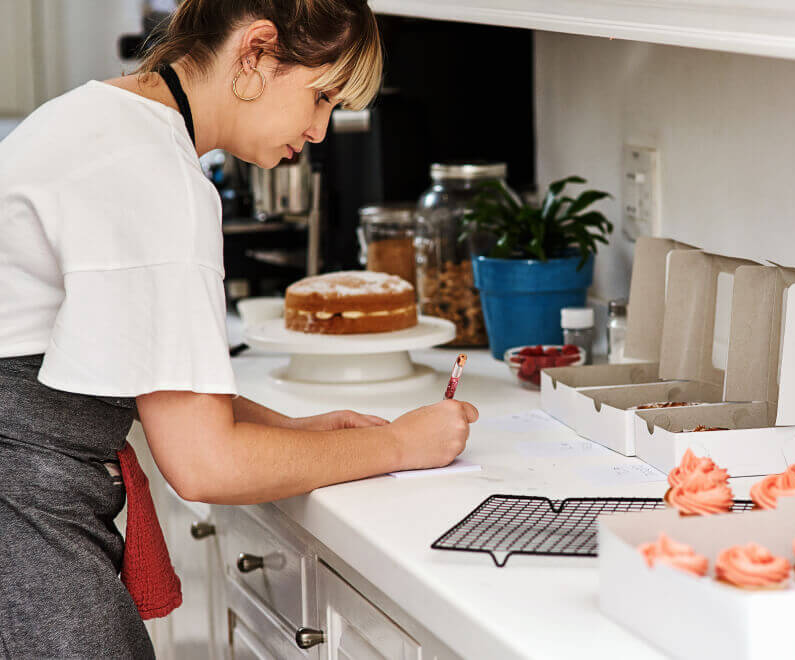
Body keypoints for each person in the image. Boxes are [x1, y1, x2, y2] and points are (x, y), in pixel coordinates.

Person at [0, 1, 477, 656]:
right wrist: (401, 445)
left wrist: (290, 430)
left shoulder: (99, 117)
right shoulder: (157, 178)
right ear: (253, 53)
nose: (318, 130)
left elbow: (143, 376)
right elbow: (205, 466)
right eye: (321, 97)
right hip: (21, 518)